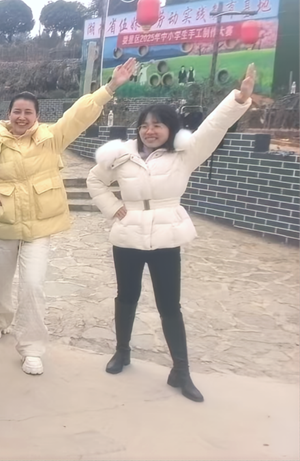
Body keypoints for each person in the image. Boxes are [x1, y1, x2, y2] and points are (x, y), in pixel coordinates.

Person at [87, 64, 256, 403]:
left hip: (167, 238)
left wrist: (237, 100)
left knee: (169, 305)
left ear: (170, 128)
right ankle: (122, 351)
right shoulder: (121, 155)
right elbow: (95, 180)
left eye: (157, 125)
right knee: (126, 297)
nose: (149, 131)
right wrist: (113, 208)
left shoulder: (185, 154)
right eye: (144, 125)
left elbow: (213, 128)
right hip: (128, 235)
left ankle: (181, 370)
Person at [0, 58, 137, 376]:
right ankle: (0, 319)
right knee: (1, 281)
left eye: (28, 112)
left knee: (32, 286)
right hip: (3, 223)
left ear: (37, 116)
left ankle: (31, 347)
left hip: (39, 226)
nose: (21, 117)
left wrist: (110, 87)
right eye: (16, 111)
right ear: (9, 114)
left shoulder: (52, 138)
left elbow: (78, 115)